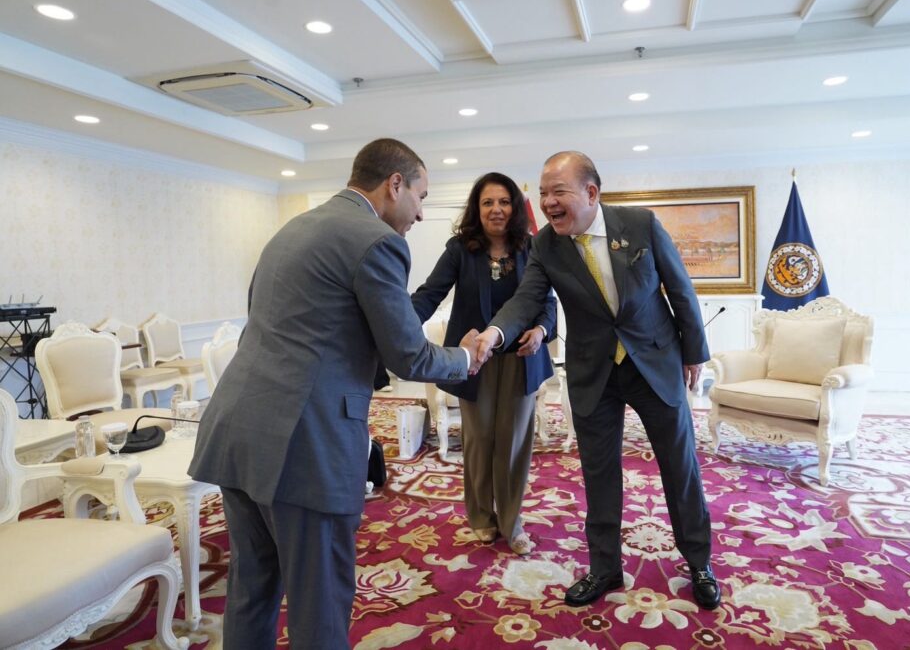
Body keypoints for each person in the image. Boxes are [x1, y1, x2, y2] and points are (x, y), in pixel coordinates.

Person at [188, 138, 480, 650]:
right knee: (319, 601)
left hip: (235, 429)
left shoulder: (291, 229)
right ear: (395, 184)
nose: (420, 212)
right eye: (421, 196)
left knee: (252, 590)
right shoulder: (378, 240)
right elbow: (408, 357)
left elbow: (278, 325)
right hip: (304, 444)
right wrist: (465, 357)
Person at [473, 151, 720, 610]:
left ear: (591, 192)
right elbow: (526, 299)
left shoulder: (641, 224)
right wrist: (494, 333)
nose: (548, 202)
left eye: (558, 192)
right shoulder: (546, 245)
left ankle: (699, 562)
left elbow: (680, 288)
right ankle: (605, 568)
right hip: (594, 371)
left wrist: (694, 352)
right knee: (599, 473)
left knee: (679, 466)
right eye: (543, 193)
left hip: (654, 362)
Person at [411, 172, 557, 556]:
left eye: (504, 202)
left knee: (513, 443)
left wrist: (541, 330)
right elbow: (430, 294)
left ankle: (511, 522)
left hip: (521, 360)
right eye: (488, 202)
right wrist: (397, 325)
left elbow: (547, 302)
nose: (496, 209)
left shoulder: (532, 247)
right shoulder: (460, 250)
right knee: (478, 442)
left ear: (515, 207)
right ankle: (480, 517)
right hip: (474, 362)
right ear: (477, 209)